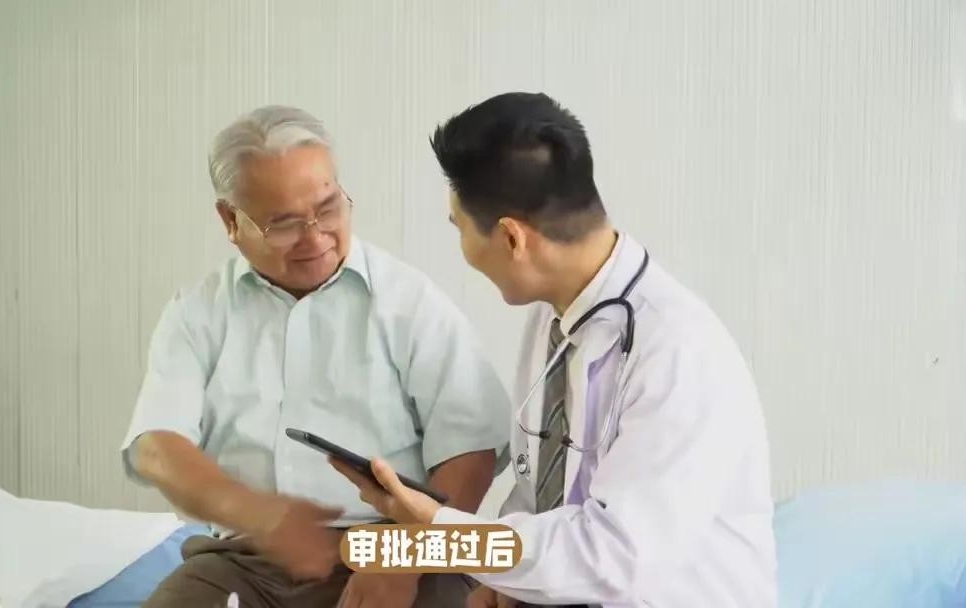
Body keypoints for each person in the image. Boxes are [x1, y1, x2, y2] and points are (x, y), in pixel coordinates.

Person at [332, 92, 778, 608]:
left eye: (460, 229)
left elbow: (613, 557)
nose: (463, 249)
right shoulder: (555, 317)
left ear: (511, 239)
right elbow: (538, 495)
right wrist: (502, 585)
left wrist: (441, 532)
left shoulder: (678, 352)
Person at [120, 105, 513, 608]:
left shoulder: (410, 302)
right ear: (230, 220)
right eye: (283, 224)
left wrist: (401, 558)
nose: (315, 237)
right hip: (244, 560)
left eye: (328, 209)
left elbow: (472, 450)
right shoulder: (197, 313)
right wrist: (260, 515)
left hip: (395, 548)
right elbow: (156, 446)